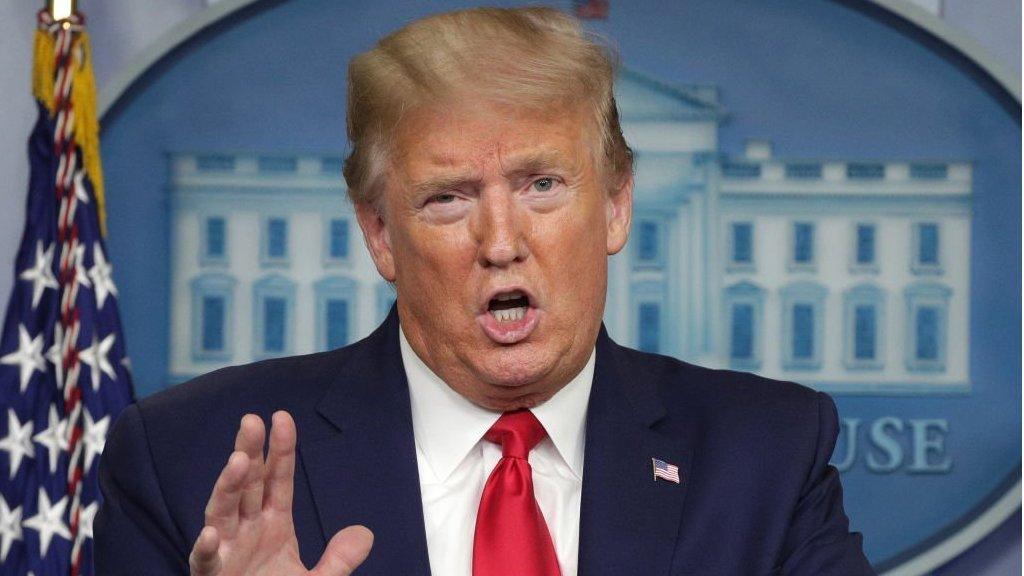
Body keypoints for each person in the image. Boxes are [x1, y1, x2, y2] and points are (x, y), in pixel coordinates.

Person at [95, 7, 875, 576]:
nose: (501, 243)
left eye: (542, 185)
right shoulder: (189, 464)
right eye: (448, 198)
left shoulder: (764, 454)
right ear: (378, 233)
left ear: (615, 205)